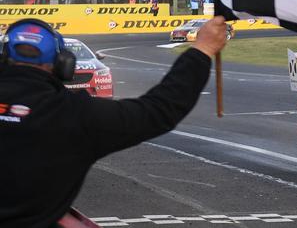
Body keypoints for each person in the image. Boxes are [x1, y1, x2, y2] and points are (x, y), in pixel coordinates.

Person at [0, 16, 228, 228]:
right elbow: (160, 109)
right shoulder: (77, 114)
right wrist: (202, 50)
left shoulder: (78, 113)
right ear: (62, 64)